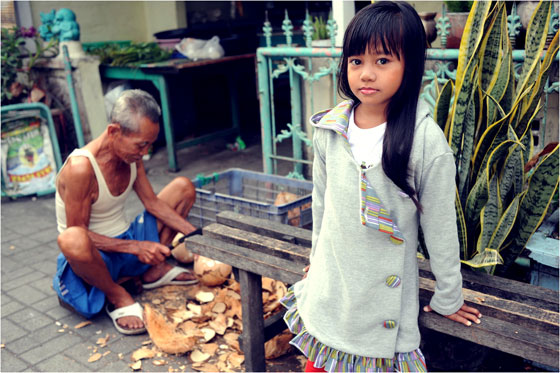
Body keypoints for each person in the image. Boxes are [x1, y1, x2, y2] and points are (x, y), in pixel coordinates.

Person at [280, 2, 482, 372]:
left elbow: (440, 227)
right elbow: (322, 203)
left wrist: (448, 297)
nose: (367, 74)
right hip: (333, 286)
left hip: (382, 302)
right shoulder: (330, 127)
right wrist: (314, 261)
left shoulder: (425, 142)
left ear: (411, 65)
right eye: (356, 61)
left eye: (383, 61)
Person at [54, 89, 200, 335]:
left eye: (149, 145)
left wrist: (196, 234)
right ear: (114, 132)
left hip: (126, 239)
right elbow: (77, 233)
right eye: (141, 145)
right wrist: (136, 247)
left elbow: (152, 203)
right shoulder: (81, 168)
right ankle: (116, 293)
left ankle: (152, 271)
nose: (145, 153)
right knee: (72, 239)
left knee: (183, 188)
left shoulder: (132, 156)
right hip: (95, 257)